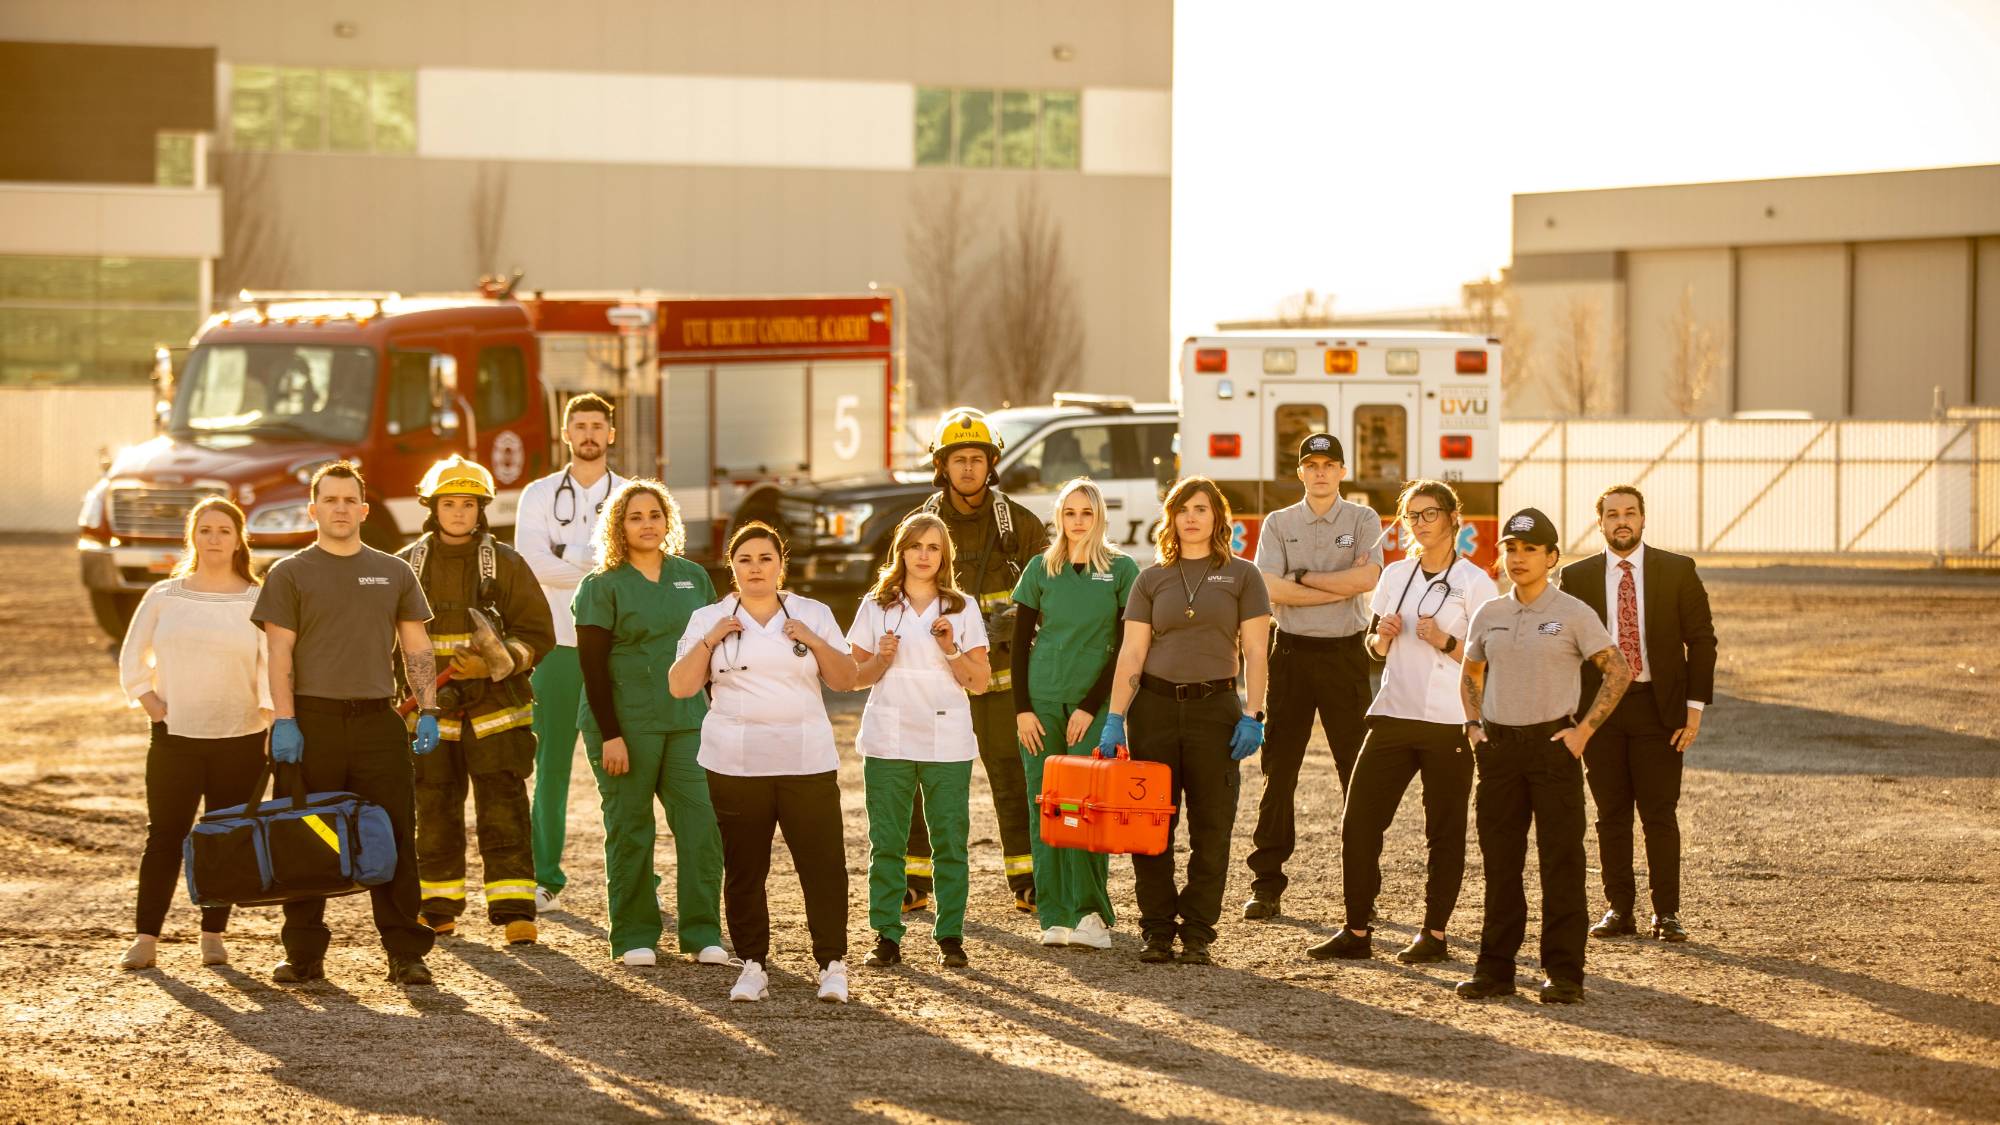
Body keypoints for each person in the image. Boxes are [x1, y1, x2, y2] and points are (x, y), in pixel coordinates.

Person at [253, 461, 440, 986]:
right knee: (304, 836)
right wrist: (285, 721)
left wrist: (428, 710)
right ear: (312, 510)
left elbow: (416, 647)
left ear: (363, 509)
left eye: (348, 500)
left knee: (397, 835)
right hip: (310, 722)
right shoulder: (289, 573)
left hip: (378, 722)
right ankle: (304, 955)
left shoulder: (394, 571)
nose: (339, 508)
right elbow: (279, 654)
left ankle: (406, 952)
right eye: (328, 500)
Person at [1309, 480, 1498, 963]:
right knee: (1359, 821)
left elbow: (1490, 663)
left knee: (1444, 830)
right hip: (1393, 712)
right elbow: (1372, 645)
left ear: (1454, 518)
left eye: (1429, 514)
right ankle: (1357, 930)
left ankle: (1434, 935)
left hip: (1448, 722)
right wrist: (1383, 639)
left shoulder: (1477, 584)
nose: (1419, 523)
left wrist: (1449, 644)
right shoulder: (1396, 576)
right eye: (1412, 515)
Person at [670, 522, 857, 1003]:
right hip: (735, 761)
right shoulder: (707, 617)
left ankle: (832, 963)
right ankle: (753, 963)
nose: (756, 568)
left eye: (765, 559)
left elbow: (845, 678)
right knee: (745, 866)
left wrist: (813, 640)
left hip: (805, 758)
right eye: (745, 560)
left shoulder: (811, 612)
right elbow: (680, 686)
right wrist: (711, 639)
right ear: (732, 567)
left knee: (822, 864)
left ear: (781, 564)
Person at [1457, 507, 1632, 1004]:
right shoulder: (1489, 613)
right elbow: (1471, 673)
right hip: (1499, 752)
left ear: (1552, 557)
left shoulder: (1574, 612)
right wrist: (1473, 727)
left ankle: (1563, 973)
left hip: (1554, 750)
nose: (1519, 557)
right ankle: (1495, 971)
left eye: (1531, 549)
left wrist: (1583, 734)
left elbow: (1617, 671)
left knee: (1561, 864)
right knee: (1501, 865)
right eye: (1511, 548)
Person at [1101, 477, 1271, 965]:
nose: (1192, 517)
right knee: (1150, 827)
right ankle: (1156, 929)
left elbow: (1257, 651)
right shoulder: (1150, 579)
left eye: (1202, 509)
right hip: (1153, 711)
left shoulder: (1243, 575)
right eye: (1183, 509)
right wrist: (1115, 719)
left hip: (1215, 712)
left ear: (1218, 518)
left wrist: (1253, 715)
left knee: (1211, 828)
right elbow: (1133, 652)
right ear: (1171, 518)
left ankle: (1197, 931)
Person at [397, 457, 556, 945]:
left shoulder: (505, 564)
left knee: (503, 809)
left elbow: (538, 633)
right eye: (449, 503)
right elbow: (385, 639)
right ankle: (437, 907)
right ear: (432, 507)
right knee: (435, 809)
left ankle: (514, 911)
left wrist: (495, 661)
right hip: (430, 714)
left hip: (496, 713)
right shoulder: (406, 565)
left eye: (468, 504)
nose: (459, 513)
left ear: (481, 508)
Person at [572, 480, 726, 968]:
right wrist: (611, 735)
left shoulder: (694, 577)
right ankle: (634, 934)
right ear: (619, 526)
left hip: (687, 721)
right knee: (631, 827)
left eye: (654, 515)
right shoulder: (601, 585)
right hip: (624, 724)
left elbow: (714, 651)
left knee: (702, 824)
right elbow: (593, 669)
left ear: (668, 521)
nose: (646, 524)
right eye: (635, 516)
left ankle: (702, 932)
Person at [905, 408, 1050, 913]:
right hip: (935, 680)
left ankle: (1027, 880)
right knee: (928, 778)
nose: (968, 468)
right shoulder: (921, 526)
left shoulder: (1021, 525)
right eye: (957, 459)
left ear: (992, 464)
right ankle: (914, 881)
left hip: (1003, 679)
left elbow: (1047, 594)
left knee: (1010, 777)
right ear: (941, 466)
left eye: (977, 458)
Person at [117, 498, 271, 971]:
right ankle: (146, 938)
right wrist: (154, 705)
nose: (214, 538)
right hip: (175, 740)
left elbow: (272, 667)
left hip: (240, 739)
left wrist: (267, 722)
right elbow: (131, 657)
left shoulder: (257, 599)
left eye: (224, 530)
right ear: (193, 536)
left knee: (222, 838)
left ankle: (213, 935)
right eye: (205, 529)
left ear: (238, 538)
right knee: (165, 836)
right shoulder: (165, 596)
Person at [1564, 485, 1717, 944]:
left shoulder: (1676, 570)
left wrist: (1694, 709)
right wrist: (1571, 715)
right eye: (1613, 515)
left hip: (1660, 709)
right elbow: (1565, 650)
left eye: (1630, 513)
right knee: (1611, 815)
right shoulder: (1577, 578)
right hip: (1602, 712)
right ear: (1601, 523)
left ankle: (1666, 914)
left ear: (1644, 519)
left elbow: (1703, 640)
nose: (1622, 521)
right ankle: (1618, 909)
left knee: (1659, 814)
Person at [1243, 432, 1384, 920]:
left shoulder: (1363, 520)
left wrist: (1301, 579)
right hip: (1293, 654)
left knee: (1355, 769)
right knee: (1279, 770)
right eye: (1312, 464)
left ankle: (1364, 878)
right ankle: (1266, 883)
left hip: (1347, 654)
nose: (1320, 472)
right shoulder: (1280, 523)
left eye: (1329, 464)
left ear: (1342, 471)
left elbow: (1368, 581)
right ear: (1300, 472)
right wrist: (1336, 587)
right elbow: (1267, 587)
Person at [849, 512, 992, 971]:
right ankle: (886, 934)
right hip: (888, 737)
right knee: (887, 841)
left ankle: (950, 934)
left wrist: (950, 647)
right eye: (916, 546)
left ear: (944, 554)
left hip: (946, 737)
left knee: (949, 840)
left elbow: (982, 682)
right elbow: (854, 678)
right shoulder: (876, 605)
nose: (924, 555)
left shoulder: (962, 607)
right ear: (901, 551)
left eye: (933, 547)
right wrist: (881, 658)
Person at [1011, 478, 1139, 949]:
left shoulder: (1123, 569)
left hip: (1093, 704)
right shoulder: (1040, 569)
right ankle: (1055, 914)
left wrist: (1091, 707)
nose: (1078, 521)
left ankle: (1090, 914)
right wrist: (1022, 710)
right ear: (1058, 517)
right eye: (1069, 512)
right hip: (1042, 702)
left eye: (1086, 512)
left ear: (1099, 516)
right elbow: (1019, 646)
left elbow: (1127, 646)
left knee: (1087, 808)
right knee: (1046, 806)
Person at [518, 393, 627, 915]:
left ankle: (633, 876)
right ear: (565, 434)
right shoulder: (537, 495)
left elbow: (643, 567)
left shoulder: (632, 495)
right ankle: (544, 877)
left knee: (626, 767)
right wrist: (599, 561)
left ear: (610, 434)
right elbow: (532, 564)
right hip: (556, 646)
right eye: (578, 425)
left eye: (596, 425)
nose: (588, 433)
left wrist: (567, 553)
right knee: (551, 765)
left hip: (618, 650)